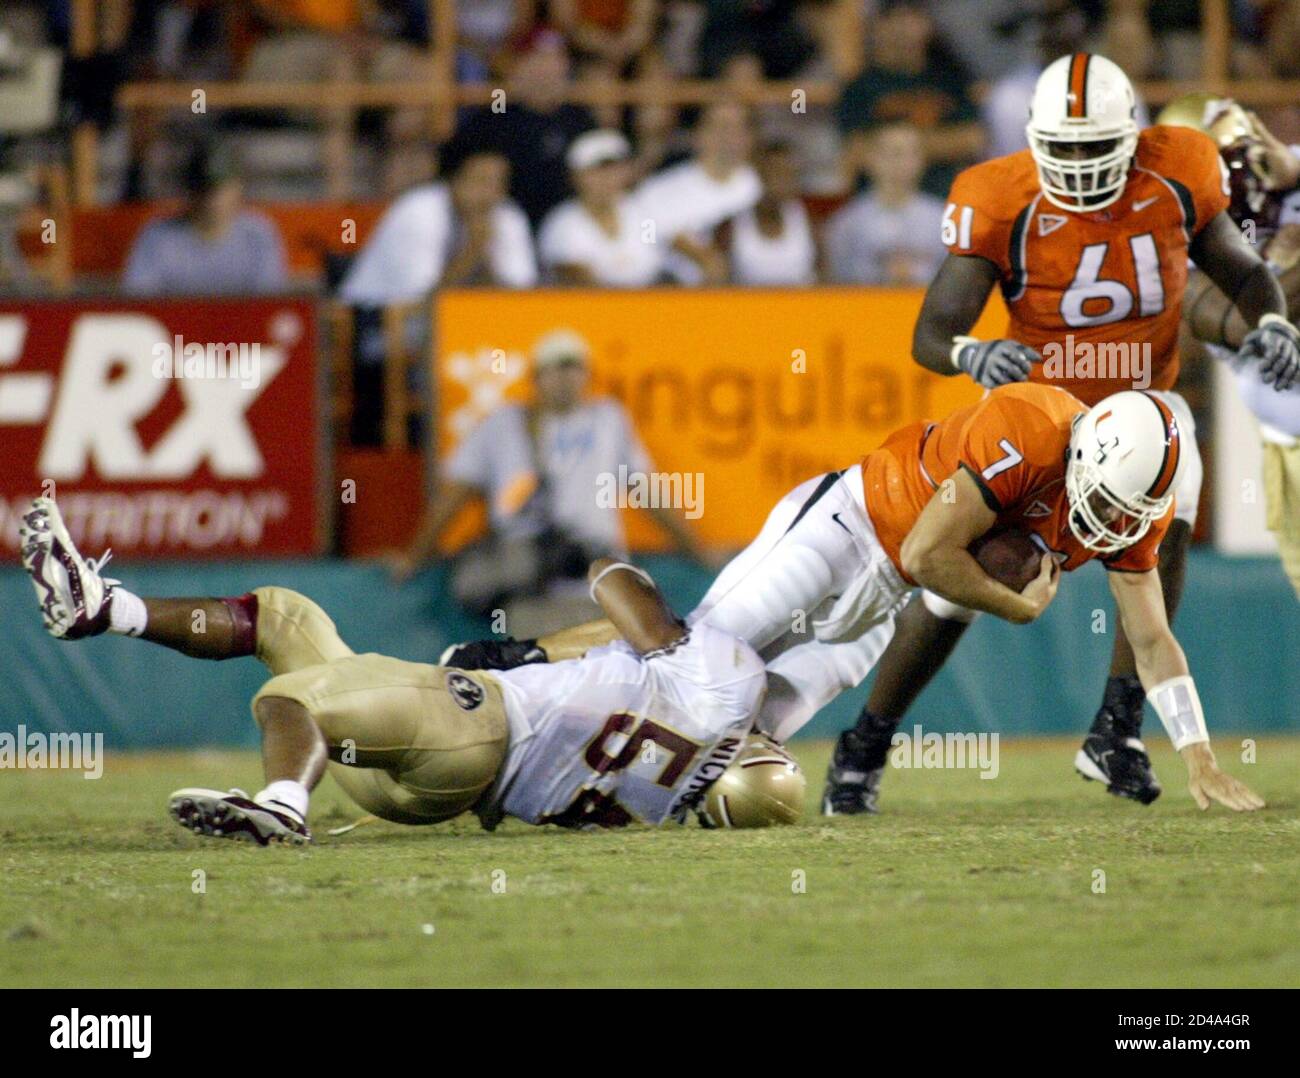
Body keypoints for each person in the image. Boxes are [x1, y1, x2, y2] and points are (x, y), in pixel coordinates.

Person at [822, 54, 1300, 816]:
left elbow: (1240, 271)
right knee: (966, 587)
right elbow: (932, 333)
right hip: (1041, 417)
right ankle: (866, 745)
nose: (1078, 165)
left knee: (1169, 512)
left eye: (1093, 147)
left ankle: (1118, 724)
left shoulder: (1177, 170)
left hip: (1141, 409)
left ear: (1133, 136)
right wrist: (971, 353)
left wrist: (1270, 317)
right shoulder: (998, 196)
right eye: (1063, 148)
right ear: (1036, 138)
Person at [445, 382, 1266, 815]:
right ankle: (515, 665)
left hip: (881, 603)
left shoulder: (1129, 516)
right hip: (850, 527)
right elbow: (926, 550)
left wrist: (1196, 754)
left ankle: (594, 785)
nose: (1109, 524)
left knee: (745, 725)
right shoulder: (1030, 424)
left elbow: (1153, 638)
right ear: (1087, 449)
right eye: (1107, 502)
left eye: (1128, 516)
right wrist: (1016, 606)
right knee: (690, 660)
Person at [17, 498, 802, 841]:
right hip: (432, 791)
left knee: (292, 697)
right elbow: (621, 672)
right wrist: (537, 654)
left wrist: (547, 636)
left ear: (755, 753)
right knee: (287, 619)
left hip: (474, 725)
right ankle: (104, 608)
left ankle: (284, 806)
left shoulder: (728, 682)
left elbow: (622, 589)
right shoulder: (666, 810)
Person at [385, 329, 713, 627]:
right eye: (555, 367)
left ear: (587, 375)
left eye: (574, 367)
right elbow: (454, 497)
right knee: (538, 671)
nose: (566, 376)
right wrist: (415, 558)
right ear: (536, 377)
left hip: (598, 580)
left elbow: (647, 495)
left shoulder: (606, 419)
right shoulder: (504, 424)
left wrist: (698, 551)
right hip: (532, 586)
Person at [1165, 95, 1300, 599]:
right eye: (1228, 169)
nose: (1247, 181)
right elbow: (1252, 321)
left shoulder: (1286, 181)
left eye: (1248, 159)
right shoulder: (1183, 258)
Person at [338, 147, 536, 304]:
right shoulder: (418, 211)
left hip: (449, 330)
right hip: (373, 319)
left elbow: (520, 296)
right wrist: (472, 251)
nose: (489, 194)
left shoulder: (507, 216)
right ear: (454, 180)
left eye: (498, 184)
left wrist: (487, 258)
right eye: (480, 181)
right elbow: (424, 302)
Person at [835, 0, 983, 200]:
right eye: (892, 18)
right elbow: (857, 152)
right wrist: (939, 143)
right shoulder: (858, 87)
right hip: (880, 205)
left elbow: (972, 140)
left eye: (911, 17)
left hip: (945, 198)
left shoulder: (950, 79)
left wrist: (896, 148)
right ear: (876, 27)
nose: (902, 28)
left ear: (927, 25)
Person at [452, 29, 595, 226]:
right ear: (517, 64)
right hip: (503, 224)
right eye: (539, 58)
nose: (549, 68)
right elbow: (461, 172)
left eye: (557, 58)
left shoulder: (579, 117)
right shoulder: (496, 113)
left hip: (567, 228)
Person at [122, 141, 288, 295]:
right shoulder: (157, 237)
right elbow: (139, 301)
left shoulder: (259, 235)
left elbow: (269, 303)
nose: (211, 196)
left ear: (238, 186)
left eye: (219, 186)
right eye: (203, 186)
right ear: (188, 189)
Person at [636, 101, 761, 284]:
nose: (730, 137)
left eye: (740, 127)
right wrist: (690, 250)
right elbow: (642, 244)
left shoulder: (763, 187)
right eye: (722, 127)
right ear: (698, 134)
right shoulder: (658, 191)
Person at [538, 128, 666, 286]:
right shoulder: (562, 224)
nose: (607, 179)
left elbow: (655, 266)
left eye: (614, 169)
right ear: (575, 176)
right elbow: (582, 283)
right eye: (596, 171)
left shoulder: (645, 215)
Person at [826, 121, 945, 285]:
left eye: (912, 153)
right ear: (871, 157)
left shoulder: (943, 218)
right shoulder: (848, 222)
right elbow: (837, 283)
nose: (903, 162)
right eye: (895, 153)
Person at [725, 140, 817, 286]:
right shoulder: (732, 225)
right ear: (757, 175)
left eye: (790, 175)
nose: (784, 182)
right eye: (777, 173)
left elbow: (826, 280)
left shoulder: (808, 221)